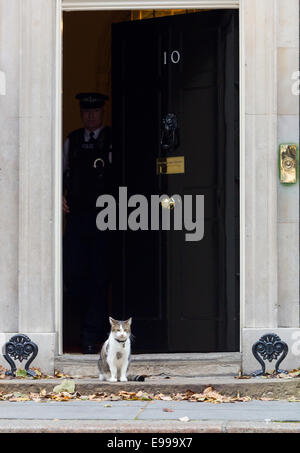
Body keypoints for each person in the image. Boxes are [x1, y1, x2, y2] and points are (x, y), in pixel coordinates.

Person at [63, 92, 112, 354]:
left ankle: (91, 337)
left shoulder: (111, 139)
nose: (90, 116)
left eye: (95, 111)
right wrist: (59, 196)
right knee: (73, 274)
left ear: (102, 112)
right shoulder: (72, 140)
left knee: (98, 277)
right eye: (86, 111)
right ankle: (76, 331)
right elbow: (58, 173)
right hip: (77, 218)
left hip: (105, 218)